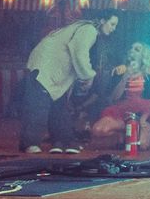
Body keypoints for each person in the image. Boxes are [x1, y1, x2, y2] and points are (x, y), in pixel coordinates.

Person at [19, 13, 117, 153]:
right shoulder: (89, 29)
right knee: (39, 106)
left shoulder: (83, 28)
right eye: (112, 24)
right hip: (45, 67)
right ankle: (29, 143)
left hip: (52, 69)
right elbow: (79, 52)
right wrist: (89, 76)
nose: (114, 28)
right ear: (102, 20)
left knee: (59, 107)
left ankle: (63, 141)